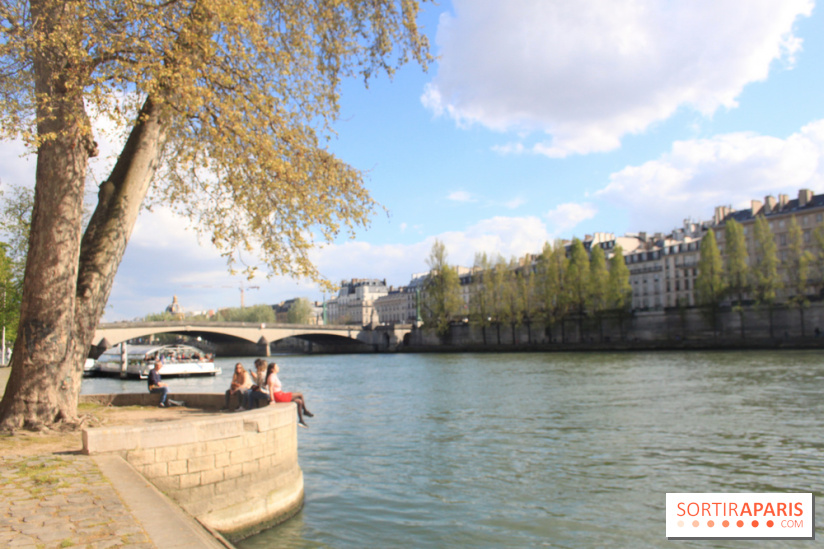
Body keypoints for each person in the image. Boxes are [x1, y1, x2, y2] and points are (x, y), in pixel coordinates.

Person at [267, 362, 313, 428]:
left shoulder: (274, 375)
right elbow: (270, 389)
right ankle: (305, 411)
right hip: (278, 396)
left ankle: (301, 421)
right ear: (272, 369)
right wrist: (272, 400)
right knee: (300, 395)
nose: (278, 368)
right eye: (276, 367)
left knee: (299, 401)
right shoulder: (271, 377)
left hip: (280, 393)